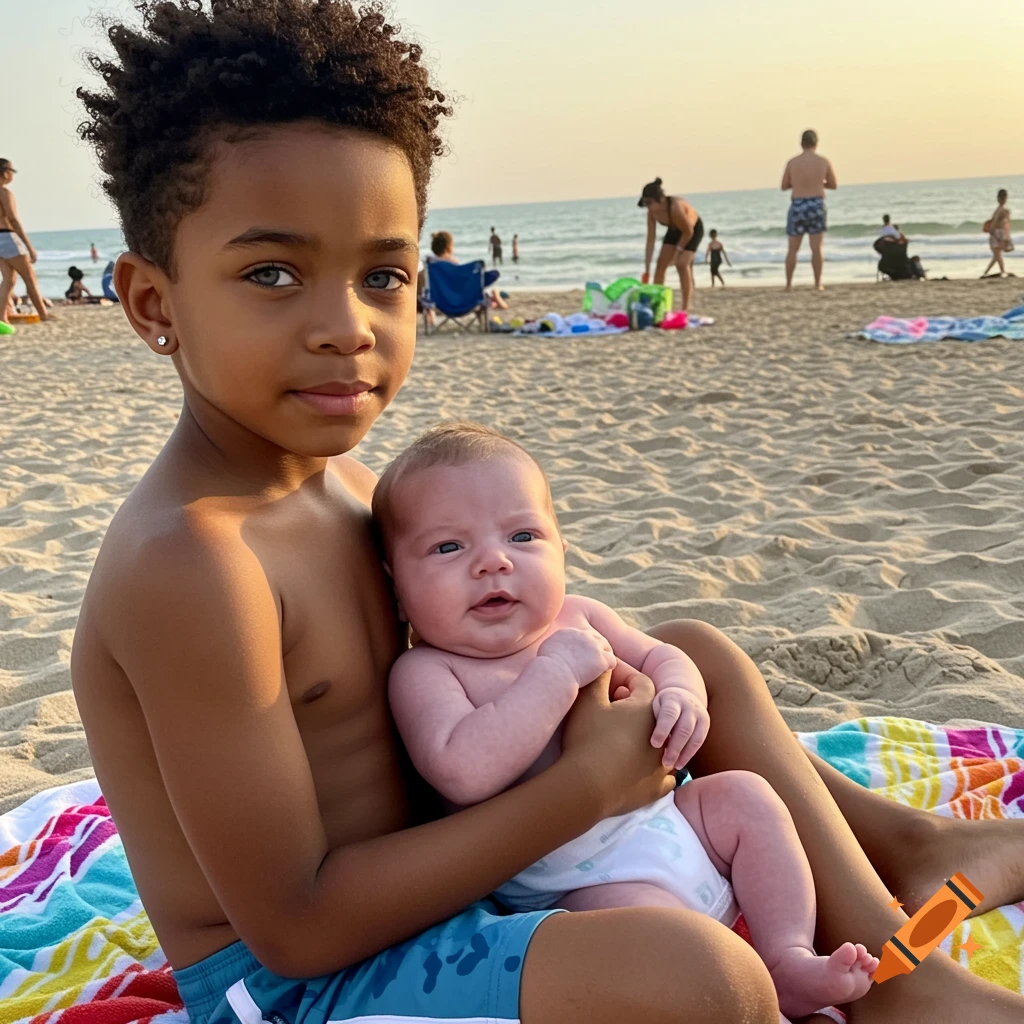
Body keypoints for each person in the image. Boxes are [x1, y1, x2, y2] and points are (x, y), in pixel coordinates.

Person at [68, 5, 1024, 1024]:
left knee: (693, 651)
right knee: (698, 978)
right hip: (302, 982)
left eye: (382, 275)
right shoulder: (192, 565)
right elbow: (295, 926)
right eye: (272, 273)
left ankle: (900, 939)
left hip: (446, 873)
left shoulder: (340, 487)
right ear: (153, 302)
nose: (345, 327)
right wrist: (587, 788)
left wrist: (608, 681)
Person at [375, 424, 880, 1020]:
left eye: (523, 534)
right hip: (571, 881)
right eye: (448, 548)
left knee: (748, 797)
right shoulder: (428, 673)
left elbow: (664, 656)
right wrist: (553, 675)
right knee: (651, 930)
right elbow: (461, 771)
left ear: (562, 552)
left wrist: (680, 693)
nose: (494, 561)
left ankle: (785, 956)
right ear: (399, 592)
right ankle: (749, 998)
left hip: (667, 820)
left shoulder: (580, 615)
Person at [781, 130, 837, 291]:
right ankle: (817, 283)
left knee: (792, 248)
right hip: (816, 204)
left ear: (801, 143)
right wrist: (818, 183)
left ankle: (789, 284)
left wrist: (799, 184)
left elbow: (784, 185)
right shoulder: (822, 161)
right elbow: (833, 184)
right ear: (816, 142)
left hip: (798, 204)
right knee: (816, 248)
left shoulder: (792, 162)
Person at [640, 177, 704, 312]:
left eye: (649, 202)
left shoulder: (675, 207)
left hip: (691, 229)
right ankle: (657, 305)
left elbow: (688, 232)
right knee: (660, 266)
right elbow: (650, 240)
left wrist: (677, 253)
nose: (648, 206)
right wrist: (646, 269)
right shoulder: (652, 212)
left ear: (660, 199)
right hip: (674, 229)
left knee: (681, 264)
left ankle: (685, 308)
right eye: (645, 203)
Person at [0, 158, 52, 323]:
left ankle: (2, 318)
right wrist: (29, 247)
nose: (12, 176)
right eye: (11, 172)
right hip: (8, 237)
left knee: (9, 280)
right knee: (30, 278)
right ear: (5, 173)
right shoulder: (5, 193)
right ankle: (44, 315)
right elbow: (13, 219)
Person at [420, 230, 507, 313]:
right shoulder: (453, 263)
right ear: (448, 247)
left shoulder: (430, 266)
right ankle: (495, 297)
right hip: (463, 303)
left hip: (440, 305)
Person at [982, 189, 1013, 278]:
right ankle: (998, 271)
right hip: (999, 233)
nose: (1002, 199)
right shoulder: (1002, 210)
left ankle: (999, 271)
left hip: (998, 233)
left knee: (997, 254)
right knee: (997, 255)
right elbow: (1000, 223)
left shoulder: (1001, 210)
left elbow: (1000, 224)